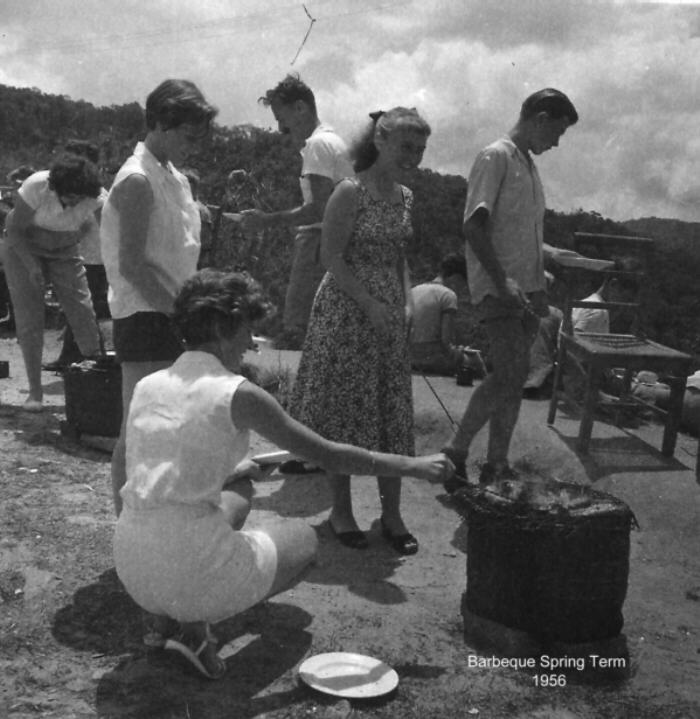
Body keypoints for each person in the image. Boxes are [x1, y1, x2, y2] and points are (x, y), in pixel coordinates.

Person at [113, 269, 453, 679]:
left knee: (240, 487)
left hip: (132, 567)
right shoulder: (238, 393)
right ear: (222, 329)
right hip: (190, 574)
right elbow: (329, 454)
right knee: (305, 540)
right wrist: (415, 466)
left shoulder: (148, 385)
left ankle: (165, 620)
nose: (250, 342)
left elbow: (130, 465)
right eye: (246, 329)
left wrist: (230, 474)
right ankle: (195, 625)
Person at [289, 107, 431, 554]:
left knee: (390, 411)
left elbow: (400, 257)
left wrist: (407, 303)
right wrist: (368, 303)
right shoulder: (350, 191)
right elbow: (330, 256)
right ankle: (342, 511)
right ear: (380, 140)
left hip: (387, 312)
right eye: (406, 146)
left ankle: (392, 514)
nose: (413, 157)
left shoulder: (406, 197)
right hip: (347, 309)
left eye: (420, 149)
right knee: (344, 410)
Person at [442, 88, 578, 488]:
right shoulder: (495, 156)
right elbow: (474, 226)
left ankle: (497, 463)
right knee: (508, 374)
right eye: (557, 132)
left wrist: (552, 256)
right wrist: (502, 280)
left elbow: (517, 232)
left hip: (528, 291)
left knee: (514, 378)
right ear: (540, 118)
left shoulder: (528, 166)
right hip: (499, 287)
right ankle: (455, 450)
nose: (556, 143)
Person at [101, 79, 218, 515]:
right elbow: (134, 266)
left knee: (170, 426)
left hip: (172, 311)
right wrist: (183, 317)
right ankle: (127, 528)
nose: (194, 145)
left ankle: (158, 520)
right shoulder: (137, 179)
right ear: (160, 124)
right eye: (188, 135)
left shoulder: (175, 178)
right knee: (138, 428)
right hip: (146, 316)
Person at [239, 73, 354, 349]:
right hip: (341, 244)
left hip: (318, 243)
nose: (281, 129)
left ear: (300, 108)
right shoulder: (334, 142)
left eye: (282, 119)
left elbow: (319, 210)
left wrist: (265, 221)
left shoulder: (317, 145)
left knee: (298, 327)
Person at [1, 155, 104, 410]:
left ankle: (100, 378)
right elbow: (15, 230)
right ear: (56, 187)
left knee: (83, 309)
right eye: (70, 196)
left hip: (65, 248)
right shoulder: (36, 186)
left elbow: (103, 229)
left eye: (80, 197)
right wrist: (31, 266)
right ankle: (35, 393)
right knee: (30, 318)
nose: (75, 202)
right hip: (23, 248)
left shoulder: (97, 197)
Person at [44, 140, 110, 370]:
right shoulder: (84, 192)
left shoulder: (95, 196)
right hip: (87, 258)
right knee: (79, 308)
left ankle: (91, 356)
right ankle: (74, 355)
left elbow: (89, 227)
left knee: (83, 309)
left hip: (93, 260)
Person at [410, 253, 467, 376]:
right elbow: (445, 341)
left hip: (409, 355)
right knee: (471, 360)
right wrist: (459, 352)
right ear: (456, 277)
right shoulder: (448, 295)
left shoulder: (414, 290)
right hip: (432, 357)